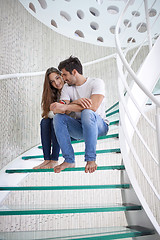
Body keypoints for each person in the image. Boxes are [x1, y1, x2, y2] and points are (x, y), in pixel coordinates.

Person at [50, 56, 109, 173]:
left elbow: (93, 107)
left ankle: (90, 159)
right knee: (58, 118)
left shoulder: (96, 83)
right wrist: (75, 102)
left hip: (99, 126)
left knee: (87, 112)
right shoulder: (67, 88)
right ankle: (69, 160)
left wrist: (66, 106)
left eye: (64, 74)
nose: (63, 78)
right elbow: (58, 110)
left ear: (74, 72)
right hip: (80, 127)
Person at [33, 67, 64, 169]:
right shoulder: (53, 93)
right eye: (52, 81)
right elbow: (48, 113)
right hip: (58, 121)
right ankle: (47, 159)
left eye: (57, 78)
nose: (57, 83)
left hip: (68, 123)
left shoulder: (69, 88)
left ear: (62, 76)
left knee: (56, 120)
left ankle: (54, 159)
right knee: (45, 122)